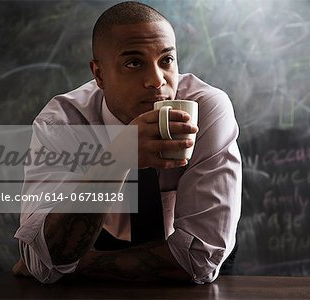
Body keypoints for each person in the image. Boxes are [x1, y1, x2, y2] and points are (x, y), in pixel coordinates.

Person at [13, 1, 241, 284]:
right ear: (99, 75)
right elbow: (44, 255)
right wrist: (117, 158)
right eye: (134, 63)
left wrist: (75, 267)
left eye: (167, 60)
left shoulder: (204, 110)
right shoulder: (64, 122)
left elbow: (200, 260)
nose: (157, 81)